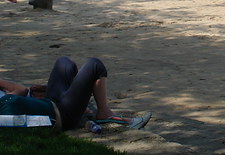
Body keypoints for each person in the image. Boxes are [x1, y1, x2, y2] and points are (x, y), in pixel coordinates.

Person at [0, 56, 150, 131]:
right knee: (95, 65)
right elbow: (18, 94)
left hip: (50, 101)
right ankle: (103, 113)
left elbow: (22, 90)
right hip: (62, 114)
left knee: (64, 63)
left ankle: (81, 105)